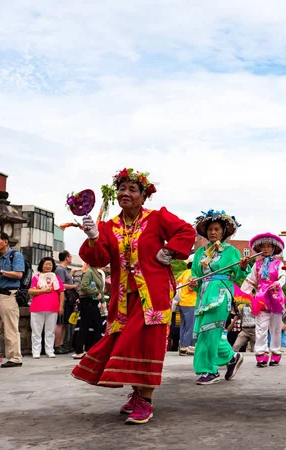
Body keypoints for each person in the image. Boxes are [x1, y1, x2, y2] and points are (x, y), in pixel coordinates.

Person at [71, 168, 195, 425]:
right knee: (123, 342)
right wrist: (94, 238)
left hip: (152, 296)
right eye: (121, 189)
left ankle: (146, 401)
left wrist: (169, 251)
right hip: (123, 299)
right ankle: (138, 393)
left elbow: (186, 232)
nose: (124, 193)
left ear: (143, 195)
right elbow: (100, 258)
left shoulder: (157, 218)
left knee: (145, 343)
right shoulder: (109, 226)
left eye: (132, 189)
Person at [190, 209, 248, 385]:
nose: (213, 232)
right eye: (210, 230)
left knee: (209, 330)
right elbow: (195, 273)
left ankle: (210, 371)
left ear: (223, 231)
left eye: (216, 229)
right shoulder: (200, 252)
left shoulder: (231, 251)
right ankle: (232, 357)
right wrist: (193, 281)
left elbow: (241, 275)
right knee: (204, 333)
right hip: (203, 296)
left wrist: (244, 266)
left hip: (221, 294)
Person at [240, 233, 286, 367]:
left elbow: (282, 276)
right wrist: (243, 294)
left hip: (275, 296)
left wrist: (277, 284)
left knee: (276, 328)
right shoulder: (257, 264)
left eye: (269, 246)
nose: (265, 249)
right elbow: (251, 279)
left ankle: (275, 353)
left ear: (274, 248)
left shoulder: (279, 263)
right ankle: (261, 354)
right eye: (263, 246)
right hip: (261, 297)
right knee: (260, 327)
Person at [0, 232, 25, 368]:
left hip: (9, 295)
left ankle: (15, 358)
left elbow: (18, 274)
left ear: (5, 241)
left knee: (11, 328)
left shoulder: (15, 256)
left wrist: (1, 272)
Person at [27, 257, 65, 358]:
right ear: (41, 266)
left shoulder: (56, 278)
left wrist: (61, 306)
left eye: (50, 264)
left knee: (50, 330)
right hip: (37, 307)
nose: (48, 266)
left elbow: (61, 292)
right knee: (36, 331)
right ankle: (36, 351)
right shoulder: (36, 277)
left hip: (53, 307)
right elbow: (30, 291)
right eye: (46, 264)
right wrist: (43, 291)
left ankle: (49, 350)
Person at [73, 265, 105, 359]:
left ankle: (90, 349)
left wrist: (102, 300)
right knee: (87, 325)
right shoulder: (89, 272)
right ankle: (81, 350)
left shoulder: (96, 273)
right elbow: (84, 286)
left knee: (94, 325)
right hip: (87, 301)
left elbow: (99, 290)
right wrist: (96, 293)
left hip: (93, 301)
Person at [54, 250, 79, 355]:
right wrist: (74, 286)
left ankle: (62, 343)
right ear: (66, 258)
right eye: (70, 257)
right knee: (60, 323)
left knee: (64, 323)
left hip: (68, 299)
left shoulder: (64, 270)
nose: (71, 259)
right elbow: (61, 285)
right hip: (63, 299)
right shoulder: (60, 269)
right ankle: (57, 345)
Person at [175, 255, 197, 356]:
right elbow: (191, 288)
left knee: (183, 326)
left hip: (182, 302)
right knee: (190, 326)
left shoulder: (184, 273)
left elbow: (176, 283)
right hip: (191, 302)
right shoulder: (193, 273)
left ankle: (182, 347)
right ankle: (187, 347)